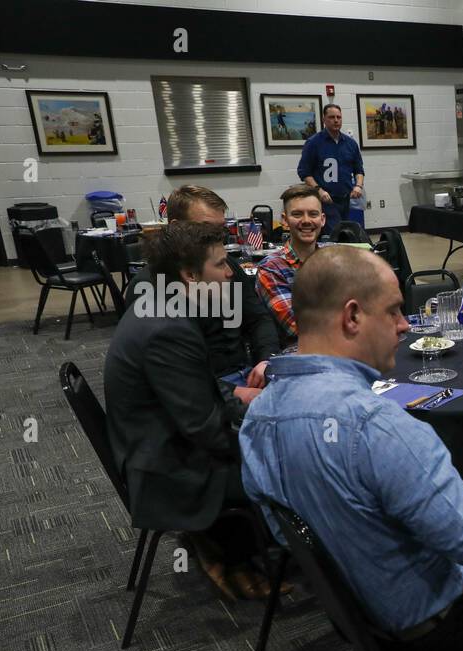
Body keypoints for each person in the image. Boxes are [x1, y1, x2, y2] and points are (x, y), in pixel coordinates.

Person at [240, 246, 463, 651]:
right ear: (352, 317)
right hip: (444, 628)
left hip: (359, 618)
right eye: (393, 311)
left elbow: (287, 535)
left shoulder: (257, 415)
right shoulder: (377, 425)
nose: (406, 326)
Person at [104, 221, 271, 600]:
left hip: (157, 444)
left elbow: (194, 392)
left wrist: (240, 396)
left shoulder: (160, 307)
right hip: (169, 468)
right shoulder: (169, 329)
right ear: (191, 276)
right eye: (222, 265)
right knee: (295, 461)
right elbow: (207, 430)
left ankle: (245, 550)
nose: (231, 274)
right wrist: (269, 436)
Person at [124, 185, 279, 421]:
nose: (217, 239)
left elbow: (258, 319)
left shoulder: (227, 268)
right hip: (204, 392)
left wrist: (267, 360)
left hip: (246, 373)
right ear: (176, 228)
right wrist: (236, 393)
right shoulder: (148, 288)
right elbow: (174, 378)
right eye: (206, 229)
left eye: (220, 231)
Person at [257, 184, 330, 343]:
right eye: (297, 214)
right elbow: (297, 326)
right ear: (284, 220)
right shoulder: (271, 268)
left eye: (313, 214)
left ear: (322, 219)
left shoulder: (332, 258)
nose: (306, 221)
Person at [296, 103, 364, 238]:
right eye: (332, 117)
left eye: (339, 117)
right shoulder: (314, 143)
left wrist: (358, 186)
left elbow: (359, 169)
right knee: (334, 234)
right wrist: (319, 190)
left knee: (347, 234)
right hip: (326, 200)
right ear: (324, 120)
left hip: (346, 199)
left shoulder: (350, 143)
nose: (336, 120)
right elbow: (304, 172)